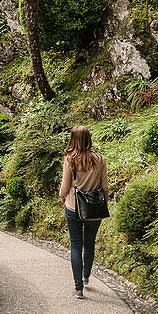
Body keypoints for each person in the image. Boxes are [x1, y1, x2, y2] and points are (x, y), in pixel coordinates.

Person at [59, 125, 109, 299]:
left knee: (75, 245)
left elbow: (65, 188)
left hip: (73, 208)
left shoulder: (69, 160)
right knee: (89, 244)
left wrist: (62, 197)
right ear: (89, 139)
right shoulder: (100, 159)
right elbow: (104, 186)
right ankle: (86, 276)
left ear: (73, 139)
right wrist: (104, 203)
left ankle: (78, 288)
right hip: (94, 209)